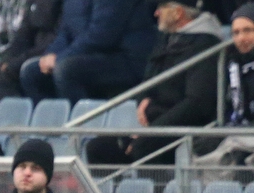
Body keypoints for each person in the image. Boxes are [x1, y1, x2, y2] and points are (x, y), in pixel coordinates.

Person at [85, 1, 222, 167]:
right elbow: (148, 80)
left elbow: (197, 103)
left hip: (184, 129)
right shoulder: (166, 38)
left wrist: (153, 131)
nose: (156, 13)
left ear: (178, 13)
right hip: (155, 125)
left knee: (143, 147)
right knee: (98, 148)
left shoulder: (206, 45)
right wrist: (142, 100)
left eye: (161, 8)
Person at [18, 0, 158, 105]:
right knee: (30, 72)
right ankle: (50, 132)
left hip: (127, 58)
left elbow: (103, 35)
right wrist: (49, 56)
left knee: (66, 69)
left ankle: (82, 131)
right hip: (90, 53)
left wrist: (60, 57)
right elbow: (65, 32)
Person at [193, 3, 254, 166]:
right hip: (238, 132)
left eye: (248, 30)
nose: (241, 38)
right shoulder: (230, 65)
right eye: (236, 33)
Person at [0, 0, 62, 101]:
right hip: (30, 52)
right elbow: (23, 35)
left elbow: (56, 38)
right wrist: (8, 59)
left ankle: (35, 113)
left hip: (51, 51)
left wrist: (18, 61)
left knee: (28, 71)